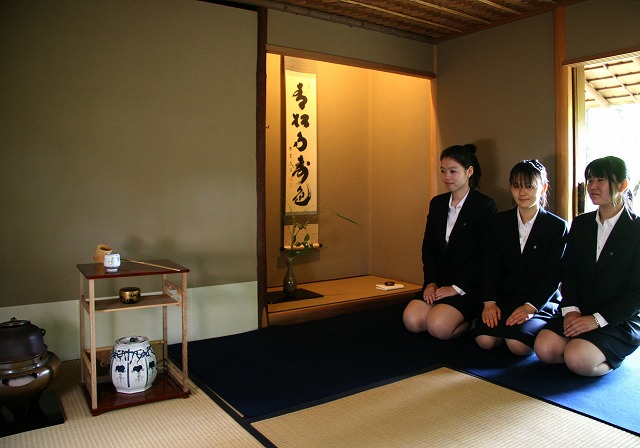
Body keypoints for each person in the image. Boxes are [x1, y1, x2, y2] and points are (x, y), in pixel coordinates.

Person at [534, 156, 640, 376]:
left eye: (601, 180)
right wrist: (571, 311)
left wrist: (596, 320)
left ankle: (608, 356)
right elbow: (570, 272)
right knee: (544, 348)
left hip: (618, 318)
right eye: (590, 180)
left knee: (577, 359)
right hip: (581, 310)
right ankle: (584, 347)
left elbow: (636, 293)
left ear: (623, 185)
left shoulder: (636, 228)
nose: (592, 186)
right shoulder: (581, 223)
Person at [403, 144, 497, 339]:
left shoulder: (484, 206)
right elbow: (429, 249)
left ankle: (472, 322)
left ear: (469, 171)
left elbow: (487, 256)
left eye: (453, 171)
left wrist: (456, 288)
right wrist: (431, 282)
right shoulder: (437, 203)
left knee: (438, 327)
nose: (447, 177)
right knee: (412, 320)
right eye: (443, 171)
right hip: (440, 284)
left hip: (468, 287)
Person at [476, 160, 568, 355]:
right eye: (516, 186)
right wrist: (490, 302)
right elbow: (491, 265)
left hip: (539, 302)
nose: (522, 192)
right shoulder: (498, 223)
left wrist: (530, 307)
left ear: (543, 188)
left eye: (529, 186)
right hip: (505, 299)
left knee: (516, 345)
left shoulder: (557, 227)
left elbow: (554, 274)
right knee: (485, 340)